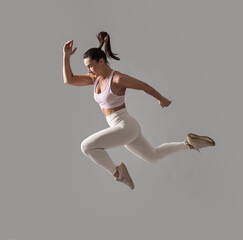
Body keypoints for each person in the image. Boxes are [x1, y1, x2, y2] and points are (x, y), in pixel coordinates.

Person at [63, 31, 216, 190]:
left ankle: (118, 173)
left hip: (125, 126)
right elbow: (69, 79)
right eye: (87, 67)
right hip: (122, 127)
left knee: (86, 146)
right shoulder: (95, 79)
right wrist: (66, 56)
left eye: (90, 66)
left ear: (101, 61)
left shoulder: (118, 79)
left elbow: (143, 86)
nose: (89, 70)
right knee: (154, 156)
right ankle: (190, 144)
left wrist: (161, 98)